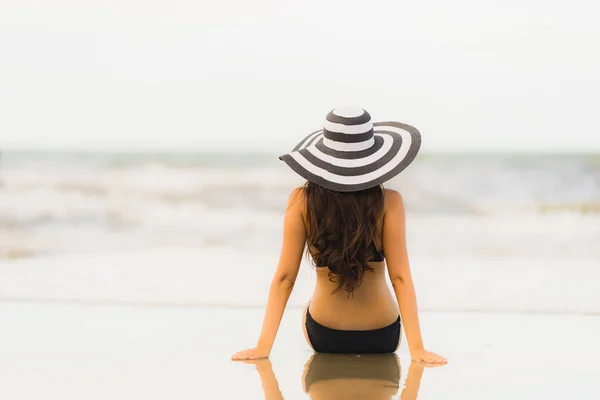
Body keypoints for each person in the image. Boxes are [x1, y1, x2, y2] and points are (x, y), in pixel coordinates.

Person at [232, 107, 446, 365]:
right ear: (374, 158)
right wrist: (418, 350)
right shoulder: (390, 202)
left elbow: (285, 278)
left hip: (324, 335)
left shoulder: (301, 201)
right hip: (382, 336)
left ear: (324, 156)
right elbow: (400, 278)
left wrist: (262, 347)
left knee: (310, 306)